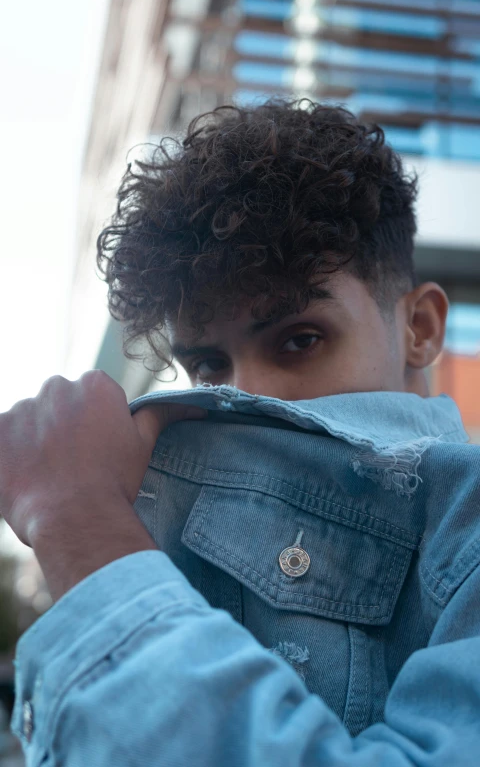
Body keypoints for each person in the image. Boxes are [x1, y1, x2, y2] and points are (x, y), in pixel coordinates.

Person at [1, 99, 479, 766]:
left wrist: (83, 526)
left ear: (420, 328)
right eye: (207, 364)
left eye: (300, 340)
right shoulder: (163, 502)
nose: (245, 394)